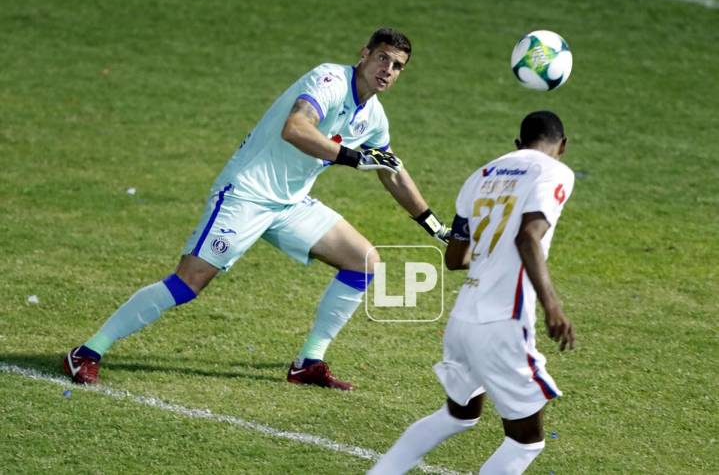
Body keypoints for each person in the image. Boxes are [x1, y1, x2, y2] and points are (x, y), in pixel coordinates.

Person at [63, 28, 450, 391]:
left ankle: (308, 362)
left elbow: (391, 171)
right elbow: (296, 128)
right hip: (245, 194)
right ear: (364, 55)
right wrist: (351, 156)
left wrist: (436, 228)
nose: (388, 69)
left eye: (397, 65)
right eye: (382, 58)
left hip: (290, 203)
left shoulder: (374, 116)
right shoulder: (329, 81)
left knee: (364, 261)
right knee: (188, 282)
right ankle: (86, 351)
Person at [368, 110, 576, 474]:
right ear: (563, 146)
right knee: (526, 440)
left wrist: (490, 253)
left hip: (464, 319)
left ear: (517, 144)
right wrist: (552, 306)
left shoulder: (481, 175)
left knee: (457, 416)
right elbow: (528, 237)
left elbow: (455, 257)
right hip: (503, 324)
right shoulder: (554, 171)